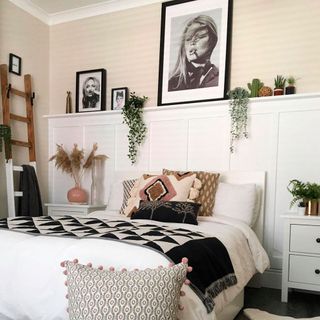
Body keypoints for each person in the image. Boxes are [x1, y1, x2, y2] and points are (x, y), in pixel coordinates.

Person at [168, 15, 219, 91]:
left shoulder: (219, 78)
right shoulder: (172, 83)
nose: (192, 42)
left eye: (200, 37)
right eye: (188, 39)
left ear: (212, 41)